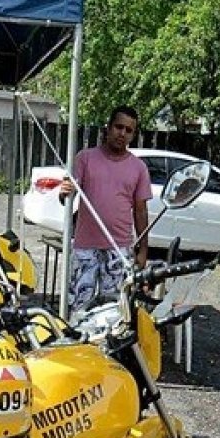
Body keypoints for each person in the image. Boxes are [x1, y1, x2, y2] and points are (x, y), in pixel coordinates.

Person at [57, 106, 152, 311]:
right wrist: (64, 192)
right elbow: (68, 195)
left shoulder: (139, 168)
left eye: (129, 130)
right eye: (119, 127)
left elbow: (140, 211)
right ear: (108, 128)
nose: (122, 133)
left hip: (119, 249)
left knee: (114, 310)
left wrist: (143, 250)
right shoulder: (85, 158)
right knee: (79, 307)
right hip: (85, 248)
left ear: (133, 135)